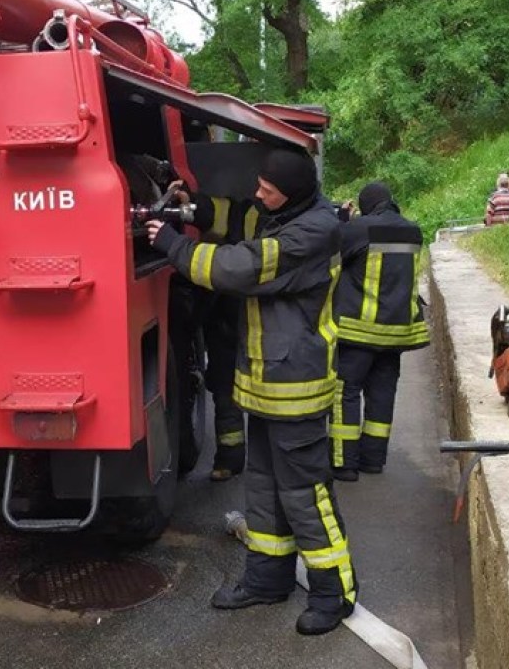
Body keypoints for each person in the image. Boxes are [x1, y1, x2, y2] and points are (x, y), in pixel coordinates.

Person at [146, 149, 357, 636]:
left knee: (305, 494)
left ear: (294, 191)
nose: (259, 194)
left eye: (268, 188)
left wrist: (174, 245)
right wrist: (190, 205)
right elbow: (239, 215)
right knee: (262, 488)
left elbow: (239, 268)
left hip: (296, 389)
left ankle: (335, 593)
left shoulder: (314, 232)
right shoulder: (287, 213)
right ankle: (267, 579)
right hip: (266, 385)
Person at [330, 182, 429, 482]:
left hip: (359, 333)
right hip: (396, 334)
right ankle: (373, 459)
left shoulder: (360, 228)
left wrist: (343, 221)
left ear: (366, 204)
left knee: (345, 393)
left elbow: (334, 256)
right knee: (382, 394)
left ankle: (344, 462)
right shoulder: (414, 231)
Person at [189, 196, 262, 481]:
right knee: (226, 387)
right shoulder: (231, 205)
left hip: (244, 311)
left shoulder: (266, 211)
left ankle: (243, 462)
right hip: (229, 312)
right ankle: (230, 459)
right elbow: (206, 214)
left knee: (238, 388)